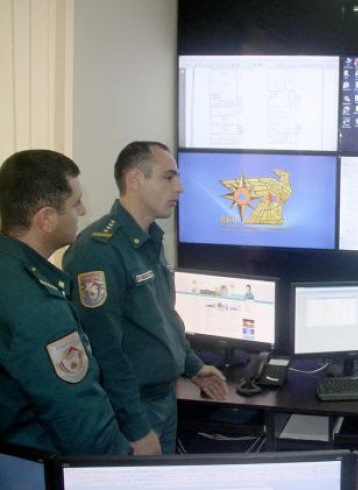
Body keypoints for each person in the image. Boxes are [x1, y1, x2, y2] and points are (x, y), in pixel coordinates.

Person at [64, 141, 228, 455]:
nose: (179, 187)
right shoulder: (99, 251)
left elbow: (163, 318)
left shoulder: (150, 238)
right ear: (135, 180)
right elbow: (106, 352)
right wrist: (136, 428)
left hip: (164, 398)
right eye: (169, 177)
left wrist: (193, 366)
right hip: (132, 407)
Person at [0, 150, 129, 455]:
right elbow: (83, 424)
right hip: (34, 467)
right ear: (46, 219)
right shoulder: (40, 307)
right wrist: (124, 467)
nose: (83, 210)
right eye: (76, 203)